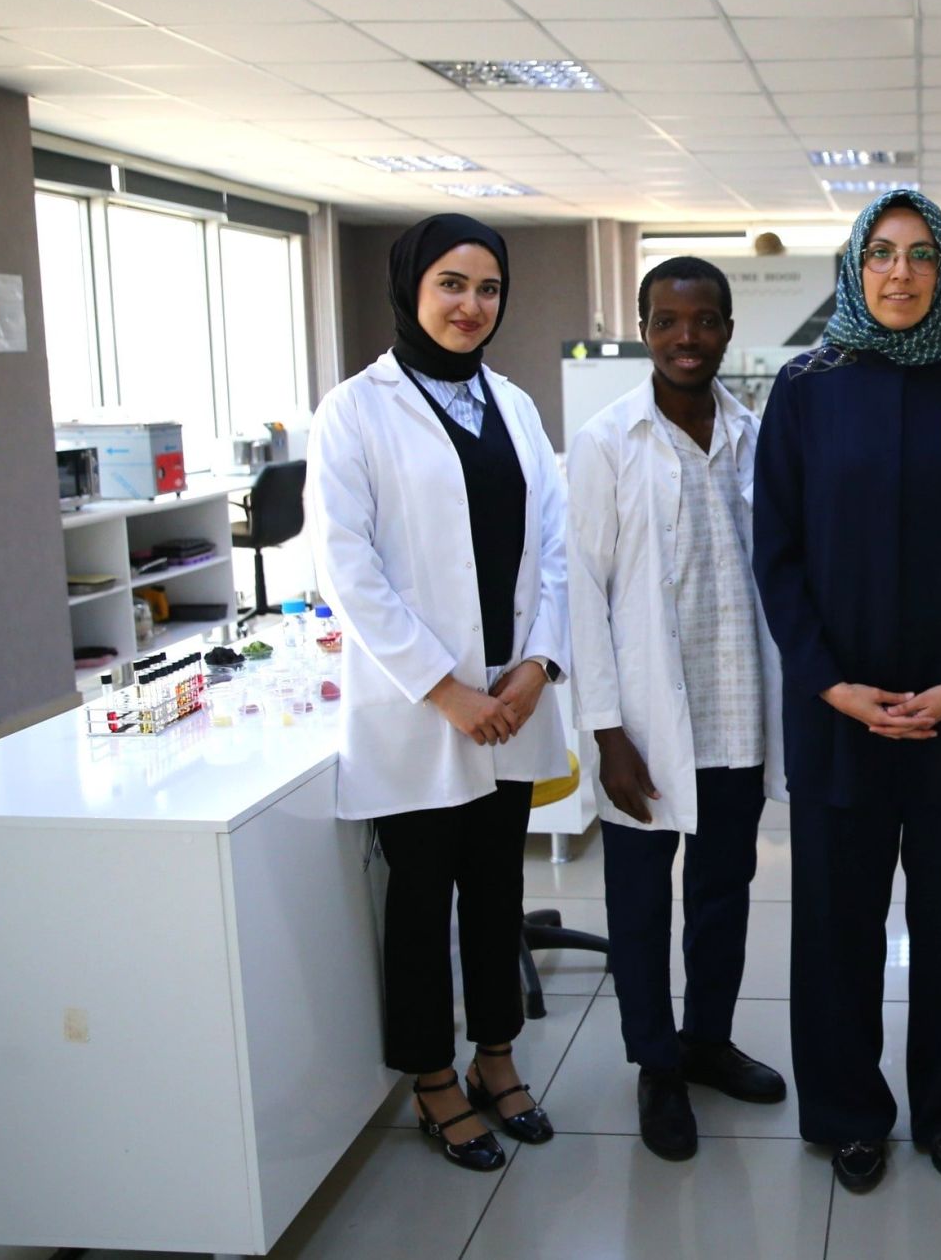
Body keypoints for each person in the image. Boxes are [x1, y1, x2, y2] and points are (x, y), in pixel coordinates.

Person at [752, 189, 941, 1191]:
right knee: (838, 928)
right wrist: (830, 684)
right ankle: (847, 1112)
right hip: (839, 714)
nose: (901, 273)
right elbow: (776, 553)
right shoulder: (806, 385)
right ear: (854, 267)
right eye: (881, 253)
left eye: (921, 255)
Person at [309, 213, 572, 1173]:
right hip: (423, 714)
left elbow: (557, 549)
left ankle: (496, 1057)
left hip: (513, 700)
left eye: (488, 288)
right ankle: (431, 1079)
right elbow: (348, 568)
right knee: (421, 904)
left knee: (498, 892)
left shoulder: (516, 405)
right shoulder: (354, 410)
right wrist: (445, 691)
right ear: (412, 289)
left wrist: (537, 666)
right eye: (451, 285)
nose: (471, 305)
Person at [565, 257, 788, 1162]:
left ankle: (707, 1041)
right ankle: (656, 1065)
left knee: (722, 893)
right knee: (639, 903)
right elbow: (582, 591)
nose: (685, 339)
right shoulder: (607, 440)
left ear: (728, 330)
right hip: (647, 722)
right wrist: (607, 732)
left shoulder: (758, 435)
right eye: (666, 321)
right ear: (645, 331)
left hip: (737, 710)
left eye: (703, 322)